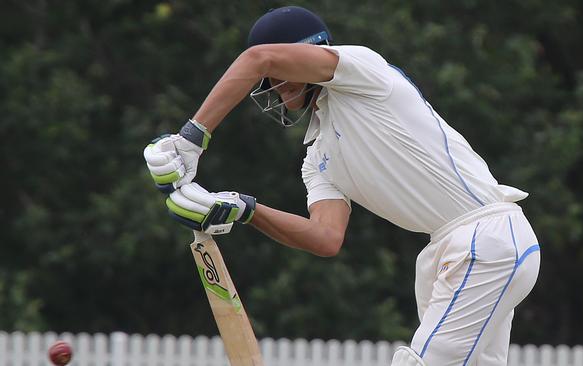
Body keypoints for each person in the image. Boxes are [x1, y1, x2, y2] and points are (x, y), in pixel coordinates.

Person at [143, 6, 540, 366]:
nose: (275, 85)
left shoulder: (363, 70)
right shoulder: (317, 159)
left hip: (486, 239)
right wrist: (245, 209)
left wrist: (191, 138)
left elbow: (256, 57)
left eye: (278, 76)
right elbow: (325, 238)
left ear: (306, 53)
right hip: (449, 253)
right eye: (269, 82)